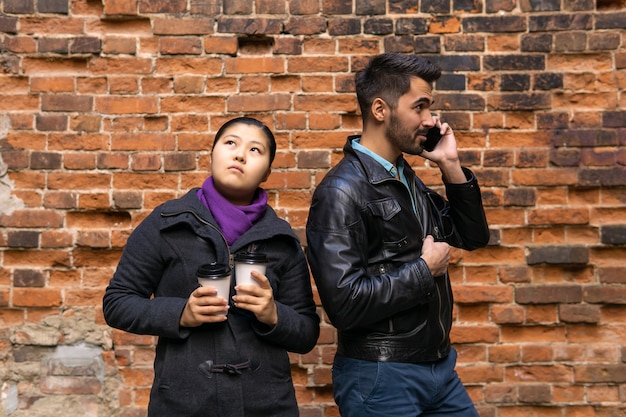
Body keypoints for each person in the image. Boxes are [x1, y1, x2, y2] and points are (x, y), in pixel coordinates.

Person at [305, 53, 490, 416]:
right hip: (381, 375)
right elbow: (344, 305)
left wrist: (451, 165)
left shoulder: (407, 179)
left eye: (430, 108)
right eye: (419, 107)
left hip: (438, 370)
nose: (431, 120)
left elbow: (472, 235)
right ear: (380, 110)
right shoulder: (341, 192)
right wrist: (424, 270)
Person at [103, 117, 320, 417]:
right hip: (184, 403)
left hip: (266, 404)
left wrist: (273, 315)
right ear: (213, 153)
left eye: (255, 150)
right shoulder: (168, 223)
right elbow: (117, 303)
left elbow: (307, 333)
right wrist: (181, 314)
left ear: (267, 171)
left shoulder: (281, 240)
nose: (240, 154)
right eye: (230, 143)